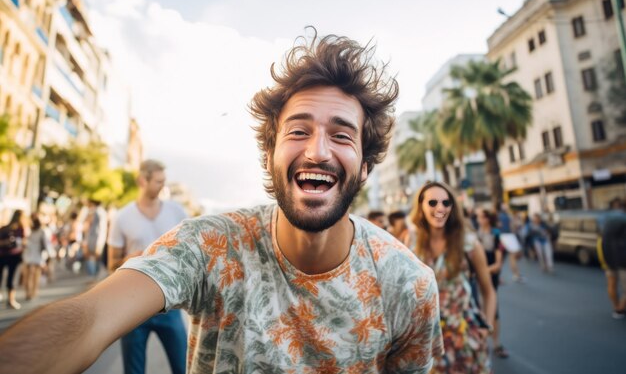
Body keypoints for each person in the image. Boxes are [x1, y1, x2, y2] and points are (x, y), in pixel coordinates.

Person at [0, 31, 444, 374]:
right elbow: (91, 315)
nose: (317, 151)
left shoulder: (410, 286)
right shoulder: (211, 246)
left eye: (342, 135)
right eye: (298, 131)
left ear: (365, 166)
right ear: (270, 155)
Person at [107, 159, 188, 374]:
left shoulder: (177, 212)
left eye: (164, 181)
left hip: (170, 305)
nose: (163, 186)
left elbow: (190, 255)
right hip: (132, 309)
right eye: (158, 181)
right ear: (143, 181)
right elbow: (110, 263)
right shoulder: (122, 217)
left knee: (185, 368)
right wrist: (128, 259)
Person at [410, 181, 496, 374]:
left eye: (446, 203)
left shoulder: (469, 244)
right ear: (421, 207)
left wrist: (486, 329)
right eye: (432, 203)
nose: (440, 208)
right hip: (428, 339)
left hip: (466, 335)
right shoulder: (412, 243)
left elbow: (488, 291)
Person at [476, 208, 508, 359]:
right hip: (478, 275)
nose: (478, 220)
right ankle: (482, 343)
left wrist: (483, 271)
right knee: (478, 309)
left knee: (493, 310)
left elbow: (498, 264)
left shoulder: (495, 234)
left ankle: (496, 344)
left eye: (481, 217)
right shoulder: (476, 234)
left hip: (489, 275)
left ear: (487, 218)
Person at [598, 197, 626, 319]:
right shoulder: (624, 219)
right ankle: (621, 308)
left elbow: (600, 237)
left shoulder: (604, 218)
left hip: (607, 255)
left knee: (612, 283)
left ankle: (616, 307)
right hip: (623, 258)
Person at [0, 210, 29, 309]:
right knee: (11, 278)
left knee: (6, 277)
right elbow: (24, 243)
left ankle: (11, 300)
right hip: (13, 256)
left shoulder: (5, 228)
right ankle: (11, 300)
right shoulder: (19, 229)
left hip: (4, 255)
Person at [21, 214, 53, 301]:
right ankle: (33, 292)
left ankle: (28, 292)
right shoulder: (41, 232)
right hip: (37, 256)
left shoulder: (29, 231)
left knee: (28, 276)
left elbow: (23, 243)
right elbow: (46, 244)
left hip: (28, 255)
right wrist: (49, 255)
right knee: (35, 276)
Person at [82, 199, 108, 278]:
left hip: (96, 239)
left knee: (96, 257)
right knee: (93, 257)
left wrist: (99, 243)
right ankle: (94, 276)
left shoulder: (99, 212)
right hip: (94, 238)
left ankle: (95, 277)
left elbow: (102, 228)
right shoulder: (96, 212)